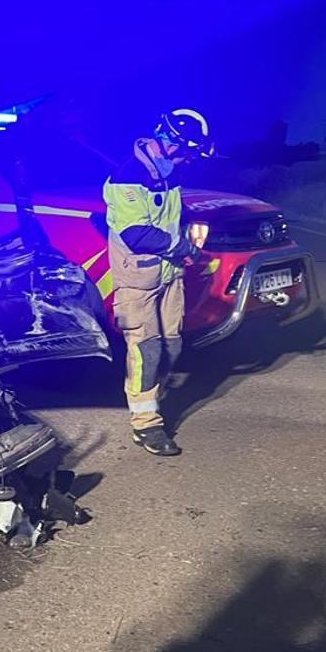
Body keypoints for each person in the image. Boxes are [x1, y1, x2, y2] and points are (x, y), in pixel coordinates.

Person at [103, 109, 214, 456]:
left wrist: (188, 235)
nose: (186, 159)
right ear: (164, 141)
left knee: (172, 347)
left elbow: (170, 219)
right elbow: (136, 234)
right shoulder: (128, 178)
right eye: (184, 151)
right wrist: (182, 247)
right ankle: (146, 425)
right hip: (138, 279)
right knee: (147, 351)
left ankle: (152, 400)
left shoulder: (168, 173)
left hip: (168, 276)